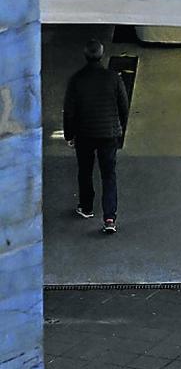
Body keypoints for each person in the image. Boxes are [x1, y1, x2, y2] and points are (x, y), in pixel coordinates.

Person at [63, 39, 129, 234]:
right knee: (109, 174)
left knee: (85, 170)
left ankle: (86, 207)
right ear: (102, 55)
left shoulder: (76, 79)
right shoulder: (113, 78)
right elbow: (123, 107)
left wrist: (69, 134)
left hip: (85, 134)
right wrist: (119, 128)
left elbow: (69, 111)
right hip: (108, 134)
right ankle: (109, 218)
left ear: (85, 55)